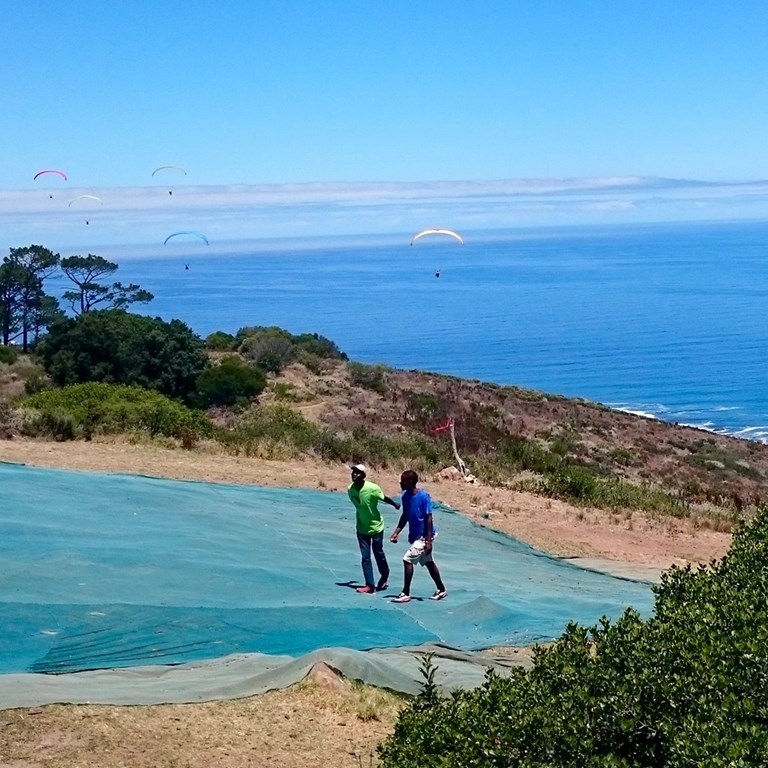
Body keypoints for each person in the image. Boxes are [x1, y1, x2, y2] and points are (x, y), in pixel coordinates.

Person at [389, 470, 447, 603]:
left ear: (410, 482)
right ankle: (442, 589)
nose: (400, 483)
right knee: (428, 562)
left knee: (407, 560)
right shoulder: (405, 496)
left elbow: (429, 518)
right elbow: (405, 515)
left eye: (402, 481)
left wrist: (428, 541)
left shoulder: (424, 496)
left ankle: (405, 592)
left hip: (425, 535)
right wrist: (396, 532)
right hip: (416, 536)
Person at [347, 463, 400, 594]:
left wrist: (395, 504)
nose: (354, 474)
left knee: (378, 553)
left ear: (364, 476)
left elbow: (384, 498)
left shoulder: (372, 488)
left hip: (376, 527)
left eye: (358, 472)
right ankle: (370, 585)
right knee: (365, 557)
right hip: (361, 528)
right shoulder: (350, 489)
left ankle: (385, 574)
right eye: (353, 472)